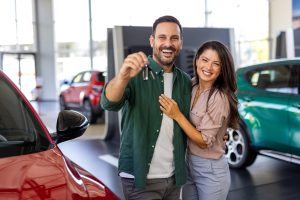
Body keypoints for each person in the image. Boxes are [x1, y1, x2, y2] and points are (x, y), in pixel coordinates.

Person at [100, 15, 191, 199]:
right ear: (152, 41)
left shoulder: (184, 81)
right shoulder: (135, 73)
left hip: (175, 177)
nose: (168, 43)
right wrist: (123, 77)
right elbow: (108, 103)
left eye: (174, 38)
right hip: (140, 179)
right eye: (162, 37)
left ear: (180, 42)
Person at [159, 40, 240, 200]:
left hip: (211, 170)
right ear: (196, 60)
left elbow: (204, 141)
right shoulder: (193, 85)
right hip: (189, 163)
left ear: (222, 69)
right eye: (205, 60)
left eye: (216, 63)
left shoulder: (218, 97)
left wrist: (177, 115)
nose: (208, 67)